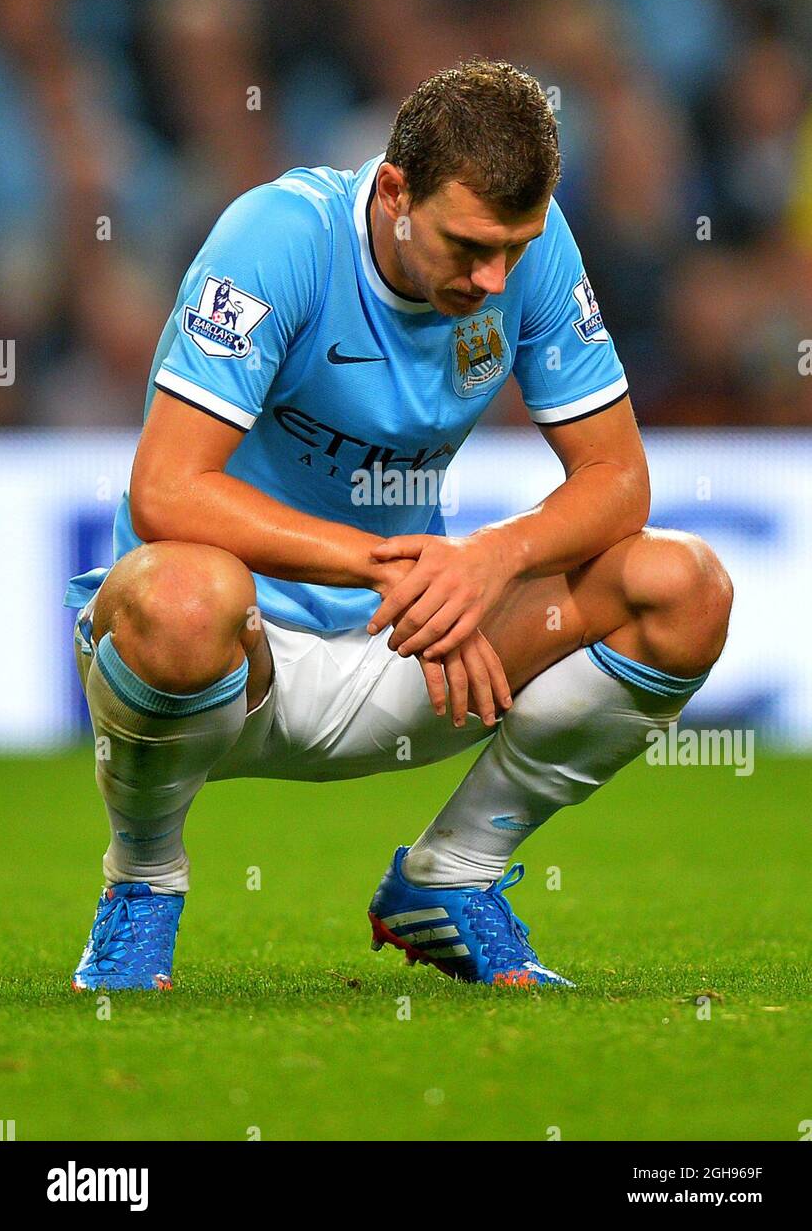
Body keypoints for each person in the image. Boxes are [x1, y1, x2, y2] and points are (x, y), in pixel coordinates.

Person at [65, 59, 732, 991]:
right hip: (226, 655)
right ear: (393, 192)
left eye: (514, 247)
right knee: (181, 595)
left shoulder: (526, 253)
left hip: (412, 648)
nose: (493, 277)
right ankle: (140, 885)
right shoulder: (277, 237)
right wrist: (390, 568)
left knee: (682, 586)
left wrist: (490, 560)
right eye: (467, 246)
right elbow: (167, 489)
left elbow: (618, 480)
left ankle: (449, 878)